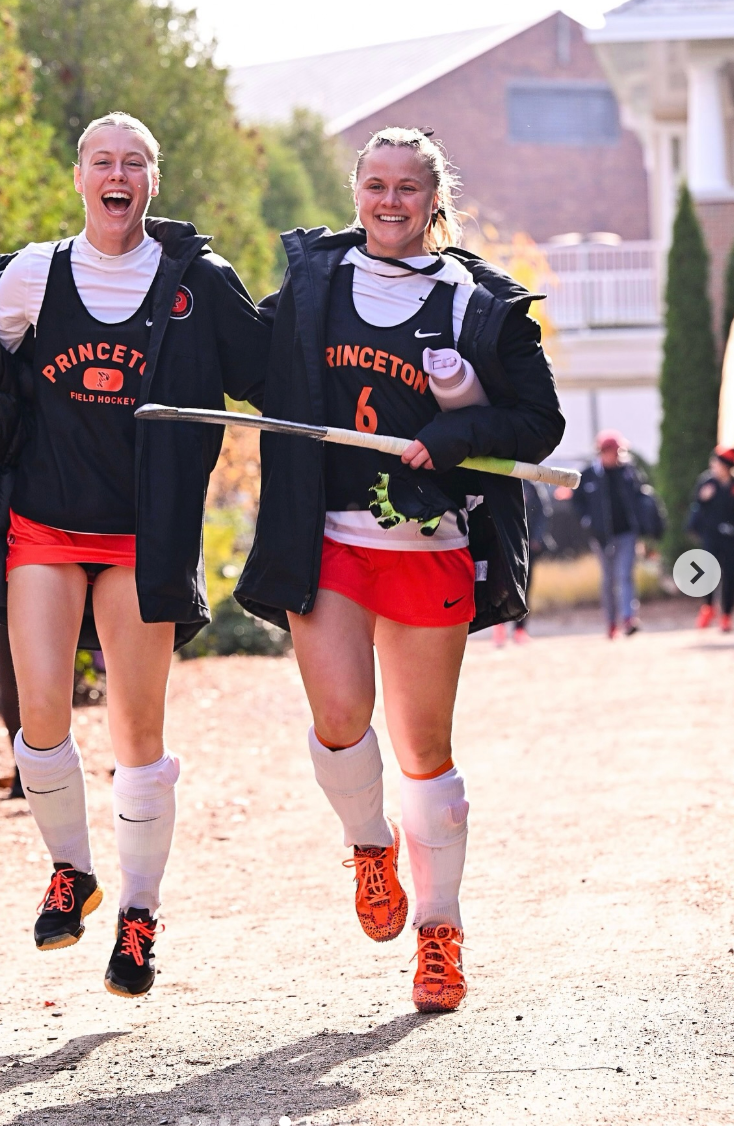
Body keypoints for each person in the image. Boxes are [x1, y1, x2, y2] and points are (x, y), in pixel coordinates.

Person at [0, 111, 269, 997]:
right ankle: (72, 872)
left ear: (153, 181)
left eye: (135, 163)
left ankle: (140, 916)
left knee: (136, 734)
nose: (118, 175)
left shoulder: (197, 282)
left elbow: (271, 374)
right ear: (79, 177)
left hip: (142, 537)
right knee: (40, 721)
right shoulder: (32, 277)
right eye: (102, 161)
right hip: (42, 526)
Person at [235, 127, 564, 1012]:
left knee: (425, 753)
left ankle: (439, 934)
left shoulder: (474, 302)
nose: (389, 201)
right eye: (375, 184)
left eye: (407, 187)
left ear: (433, 199)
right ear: (357, 192)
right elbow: (245, 365)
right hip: (328, 541)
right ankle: (369, 845)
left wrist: (455, 435)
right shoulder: (316, 284)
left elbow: (539, 424)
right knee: (340, 719)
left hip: (429, 545)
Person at [574, 430, 653, 638]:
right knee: (608, 580)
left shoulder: (629, 472)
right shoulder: (589, 474)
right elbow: (577, 501)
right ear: (602, 452)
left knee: (624, 575)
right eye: (612, 451)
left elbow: (639, 497)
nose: (616, 455)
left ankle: (628, 619)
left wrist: (644, 524)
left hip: (627, 533)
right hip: (602, 537)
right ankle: (611, 622)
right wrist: (587, 521)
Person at [493, 478, 554, 645]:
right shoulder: (499, 483)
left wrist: (536, 538)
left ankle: (520, 629)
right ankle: (499, 626)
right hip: (503, 545)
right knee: (501, 586)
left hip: (526, 546)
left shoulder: (531, 486)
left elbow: (544, 512)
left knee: (525, 587)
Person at [689, 445, 734, 632]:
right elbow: (697, 506)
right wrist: (703, 498)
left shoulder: (732, 485)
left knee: (730, 575)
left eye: (716, 463)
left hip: (730, 537)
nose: (713, 466)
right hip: (711, 535)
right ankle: (708, 607)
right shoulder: (707, 482)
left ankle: (726, 615)